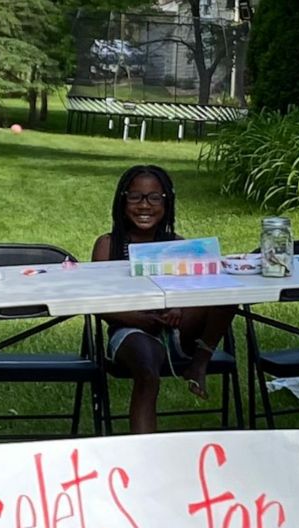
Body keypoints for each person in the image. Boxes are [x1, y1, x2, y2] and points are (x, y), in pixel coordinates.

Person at [92, 165, 236, 434]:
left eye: (154, 198)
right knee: (148, 374)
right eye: (135, 197)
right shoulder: (108, 244)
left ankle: (199, 363)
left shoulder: (179, 244)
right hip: (131, 329)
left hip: (181, 329)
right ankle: (145, 456)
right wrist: (142, 320)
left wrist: (178, 307)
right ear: (123, 201)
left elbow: (192, 288)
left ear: (166, 203)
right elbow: (101, 305)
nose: (144, 205)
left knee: (224, 289)